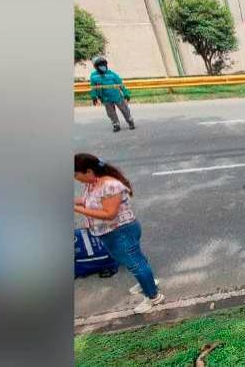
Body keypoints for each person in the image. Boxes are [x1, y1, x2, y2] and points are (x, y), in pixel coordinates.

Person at [73, 153, 165, 314]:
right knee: (135, 260)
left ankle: (154, 296)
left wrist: (78, 209)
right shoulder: (93, 183)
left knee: (135, 263)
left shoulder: (110, 186)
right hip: (110, 233)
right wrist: (76, 202)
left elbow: (109, 214)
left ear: (88, 171)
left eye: (76, 174)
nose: (75, 178)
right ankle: (148, 282)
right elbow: (91, 201)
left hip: (121, 232)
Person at [89, 56, 135, 132]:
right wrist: (94, 97)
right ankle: (116, 124)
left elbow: (120, 84)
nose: (103, 66)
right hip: (105, 98)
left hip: (117, 96)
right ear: (96, 67)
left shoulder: (112, 74)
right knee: (111, 113)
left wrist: (126, 93)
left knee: (124, 109)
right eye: (100, 65)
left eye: (104, 64)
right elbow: (93, 87)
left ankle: (130, 121)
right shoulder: (93, 76)